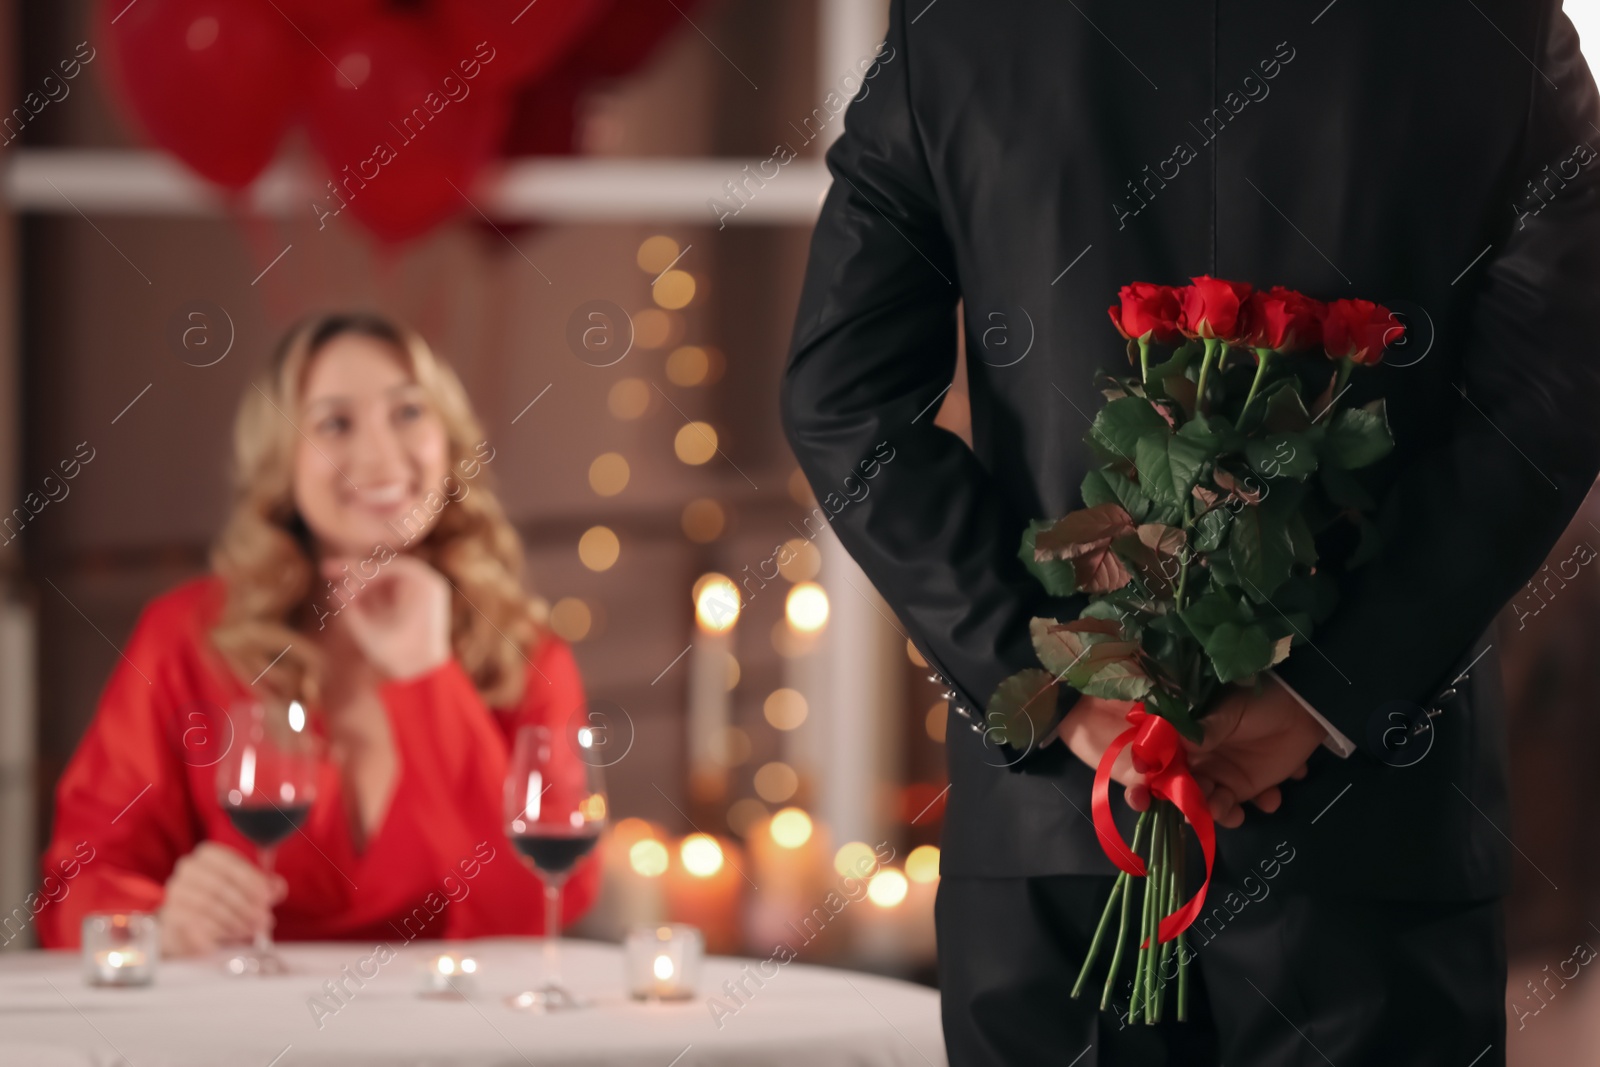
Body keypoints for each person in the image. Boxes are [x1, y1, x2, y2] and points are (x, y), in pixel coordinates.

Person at [782, 2, 1600, 1064]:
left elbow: (842, 401)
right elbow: (1557, 390)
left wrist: (1058, 679)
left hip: (1057, 828)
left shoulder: (960, 22)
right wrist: (1334, 689)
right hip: (1372, 831)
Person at [37, 312, 599, 955]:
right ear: (282, 462)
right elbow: (72, 888)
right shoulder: (186, 638)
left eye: (409, 412)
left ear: (448, 441)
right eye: (335, 423)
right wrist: (160, 920)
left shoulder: (525, 651)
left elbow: (531, 915)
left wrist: (426, 678)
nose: (381, 455)